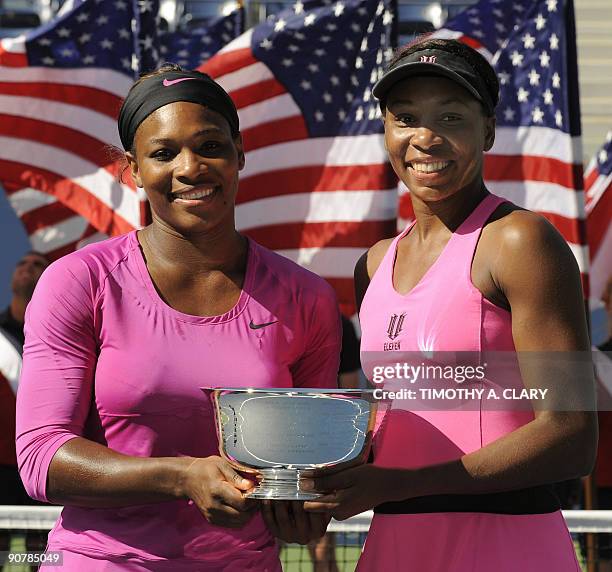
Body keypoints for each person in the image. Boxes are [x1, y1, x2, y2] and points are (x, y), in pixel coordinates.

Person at [16, 64, 341, 571]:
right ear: (133, 170)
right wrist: (182, 476)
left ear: (239, 154)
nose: (190, 168)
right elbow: (40, 458)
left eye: (210, 146)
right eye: (164, 153)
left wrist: (302, 504)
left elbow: (306, 468)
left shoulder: (307, 297)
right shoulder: (78, 281)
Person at [304, 38, 597, 571]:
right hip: (393, 546)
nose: (425, 138)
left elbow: (571, 435)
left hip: (506, 547)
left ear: (487, 129)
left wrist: (404, 484)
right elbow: (394, 424)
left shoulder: (520, 240)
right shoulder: (371, 265)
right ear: (386, 131)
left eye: (451, 117)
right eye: (406, 117)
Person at [0, 251, 49, 506]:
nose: (28, 268)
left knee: (39, 545)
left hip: (46, 462)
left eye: (38, 265)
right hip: (3, 462)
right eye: (22, 262)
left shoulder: (67, 335)